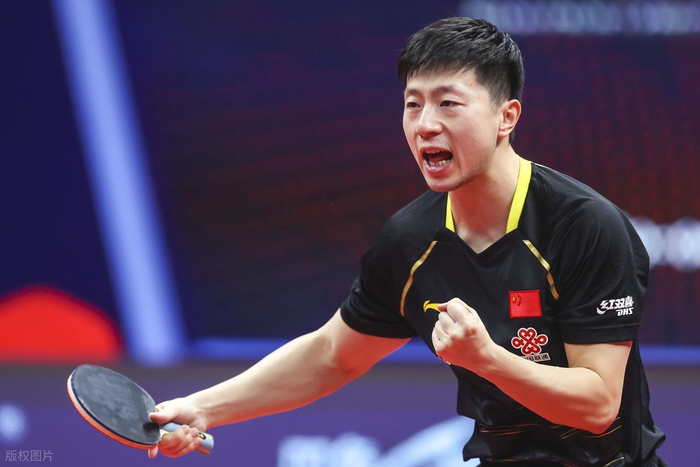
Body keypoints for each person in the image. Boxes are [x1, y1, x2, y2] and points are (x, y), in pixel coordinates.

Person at [147, 17, 666, 466]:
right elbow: (333, 354)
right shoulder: (410, 241)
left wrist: (485, 358)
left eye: (448, 104)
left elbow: (598, 405)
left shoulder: (584, 226)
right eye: (413, 105)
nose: (425, 125)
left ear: (506, 117)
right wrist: (204, 408)